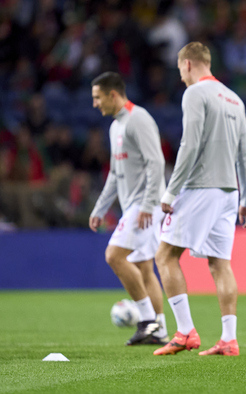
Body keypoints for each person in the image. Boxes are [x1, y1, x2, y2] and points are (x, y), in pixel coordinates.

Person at [152, 42, 246, 356]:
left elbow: (189, 145)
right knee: (220, 263)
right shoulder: (234, 99)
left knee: (165, 256)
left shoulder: (195, 93)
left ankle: (184, 332)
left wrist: (171, 191)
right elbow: (244, 153)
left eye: (180, 69)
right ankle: (229, 339)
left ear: (187, 64)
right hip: (228, 192)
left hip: (200, 187)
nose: (181, 76)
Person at [89, 72, 169, 346]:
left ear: (113, 94)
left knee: (114, 256)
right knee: (143, 267)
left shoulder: (139, 119)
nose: (95, 104)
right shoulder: (115, 126)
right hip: (134, 205)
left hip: (145, 204)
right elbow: (115, 173)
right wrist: (100, 207)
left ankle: (147, 319)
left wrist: (148, 204)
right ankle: (159, 330)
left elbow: (156, 163)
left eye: (97, 98)